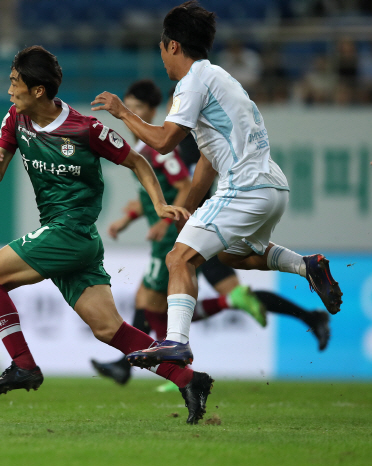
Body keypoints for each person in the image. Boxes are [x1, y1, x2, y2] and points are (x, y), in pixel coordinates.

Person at [91, 1, 342, 369]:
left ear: (173, 45)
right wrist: (189, 209)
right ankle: (308, 265)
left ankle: (175, 343)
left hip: (245, 188)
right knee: (228, 255)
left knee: (178, 258)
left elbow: (163, 142)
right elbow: (208, 161)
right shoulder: (222, 79)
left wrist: (122, 112)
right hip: (272, 187)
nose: (162, 57)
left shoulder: (192, 83)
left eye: (161, 48)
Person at [0, 45, 212, 424]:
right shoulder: (16, 119)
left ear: (38, 90)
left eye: (15, 82)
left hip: (69, 231)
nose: (9, 90)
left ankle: (24, 365)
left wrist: (161, 203)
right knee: (108, 329)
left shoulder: (85, 129)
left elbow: (138, 160)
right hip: (71, 238)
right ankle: (189, 379)